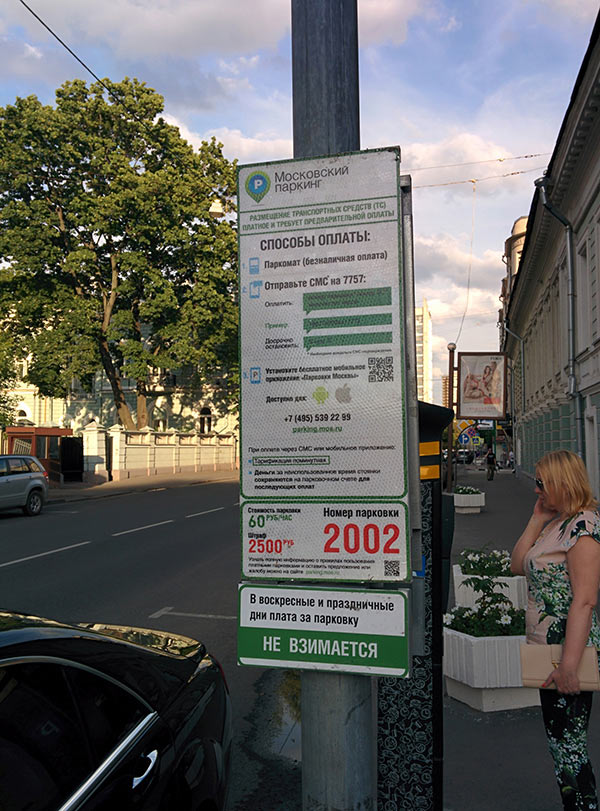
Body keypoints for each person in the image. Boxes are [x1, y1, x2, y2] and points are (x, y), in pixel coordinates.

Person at [511, 450, 600, 810]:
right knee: (561, 748)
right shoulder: (558, 523)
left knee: (570, 751)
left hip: (568, 654)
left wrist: (568, 667)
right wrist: (536, 520)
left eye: (542, 483)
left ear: (562, 483)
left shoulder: (584, 528)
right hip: (547, 652)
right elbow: (518, 565)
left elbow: (585, 601)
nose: (537, 490)